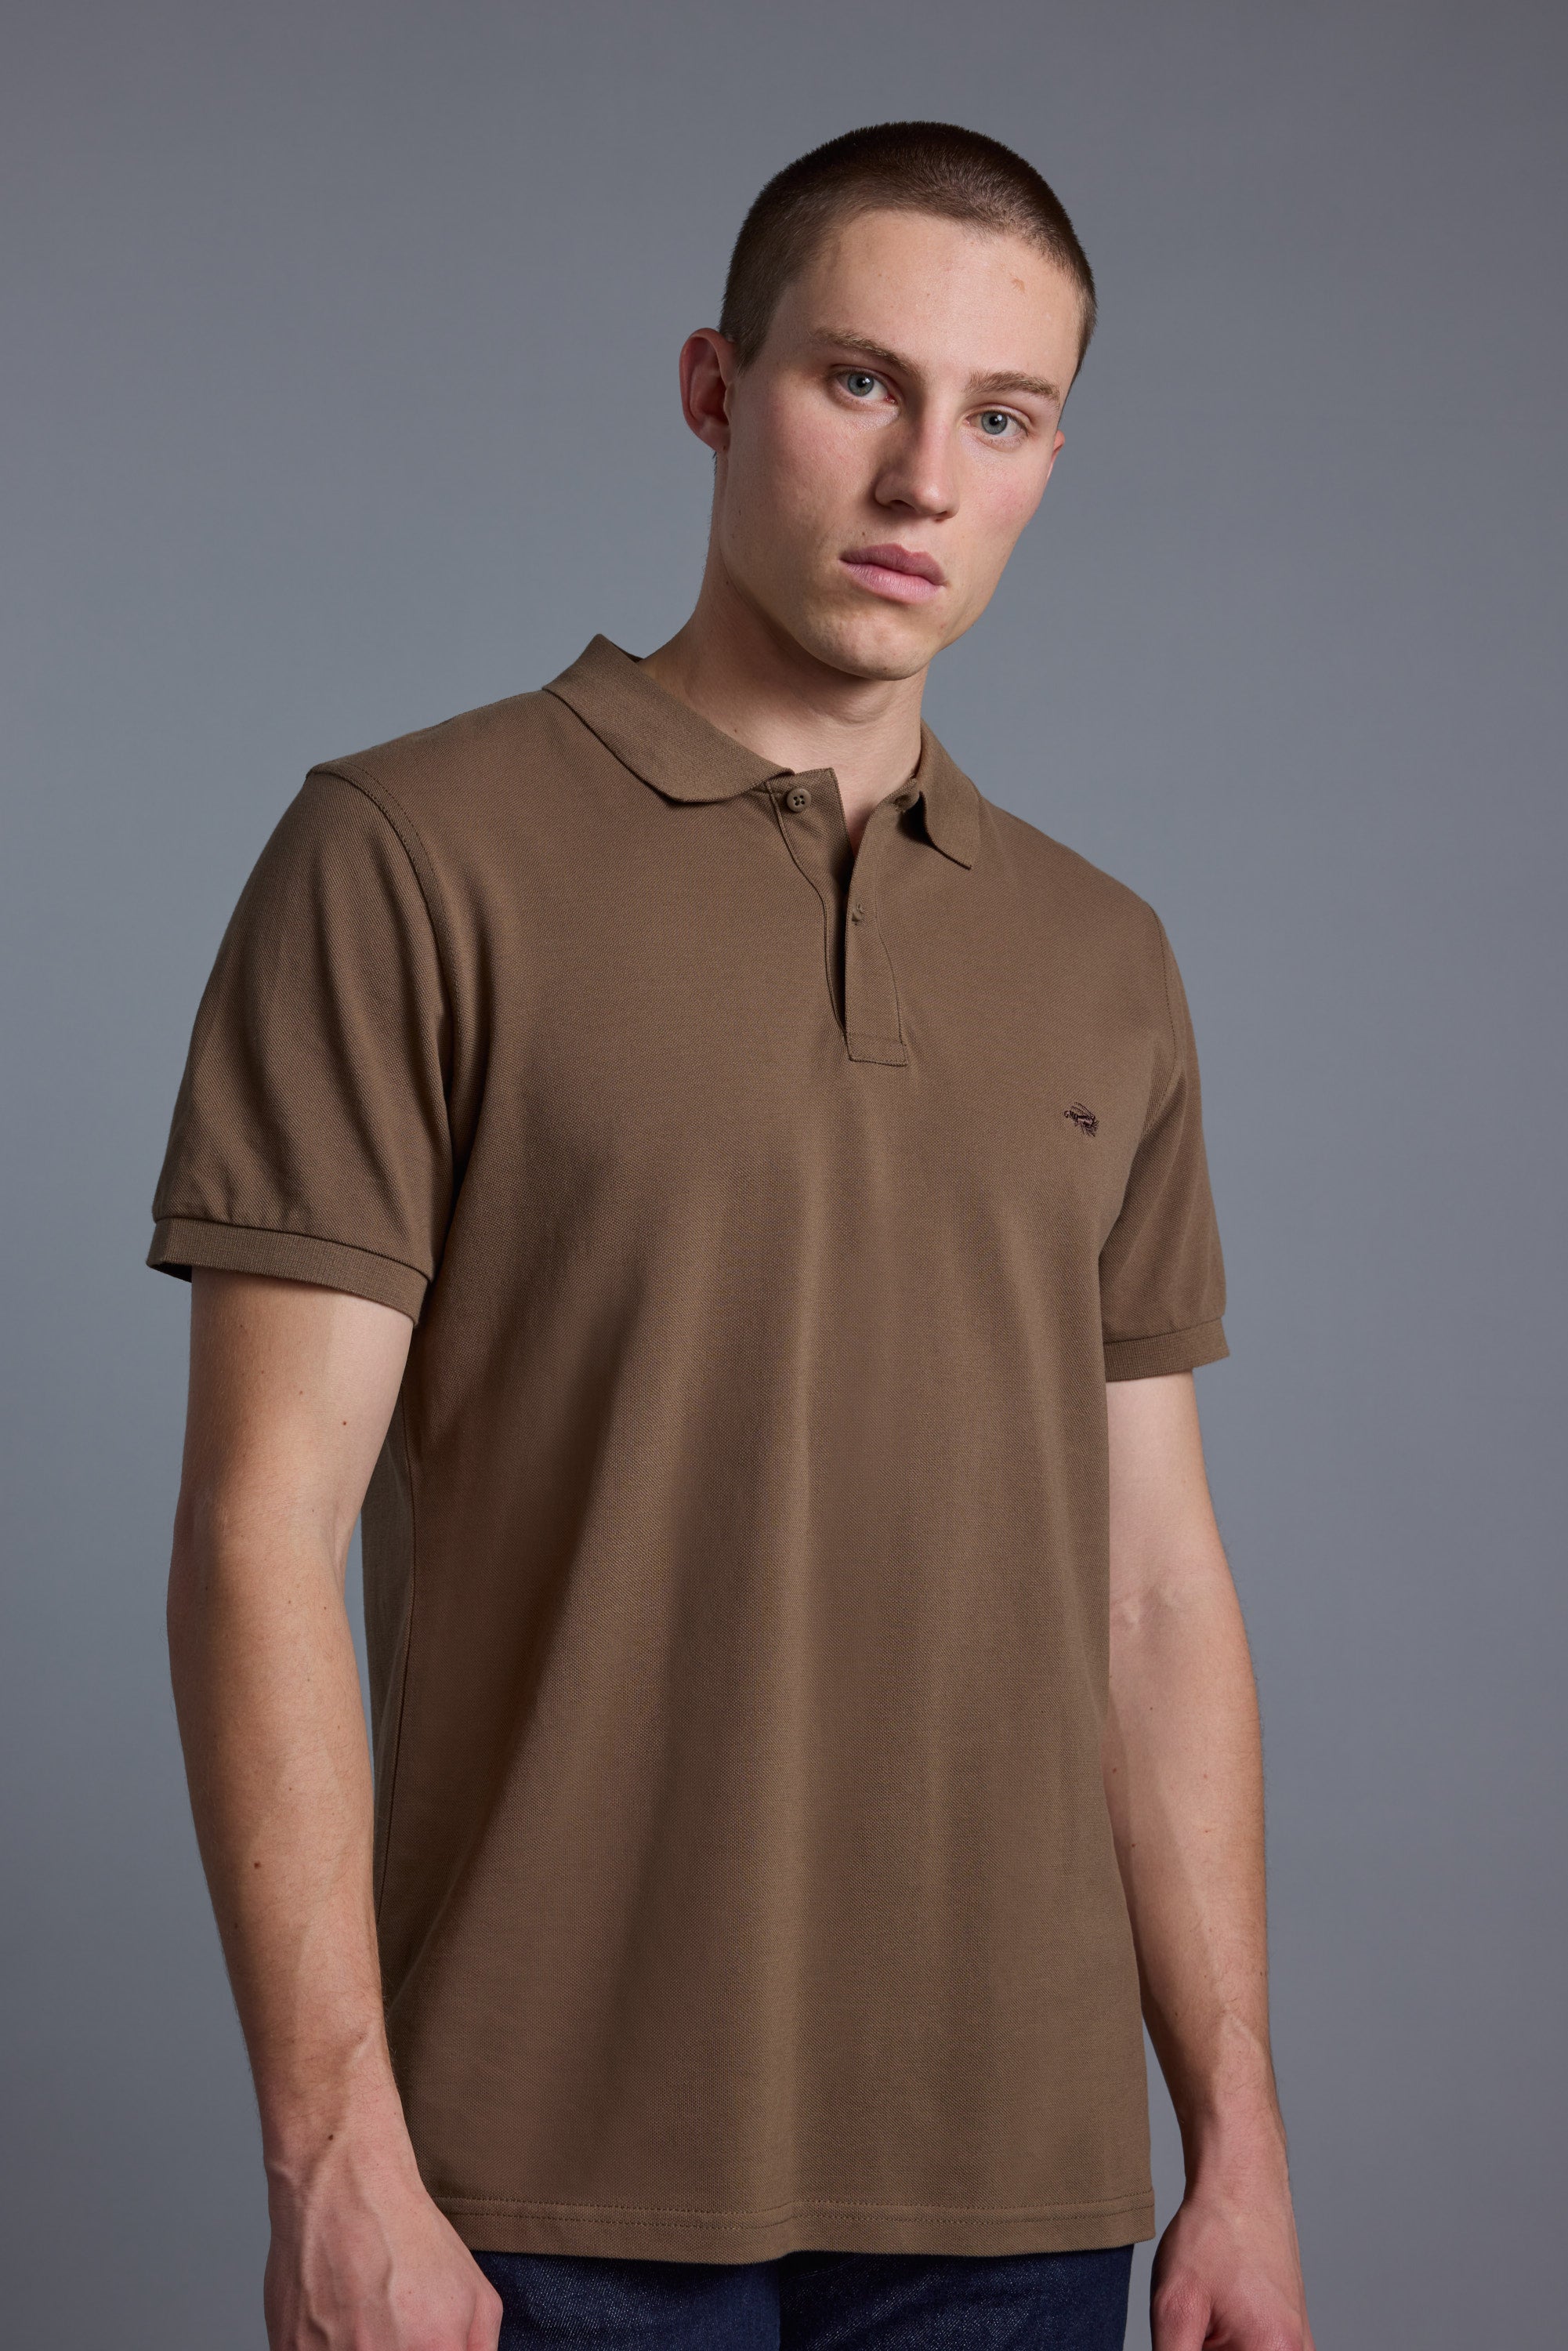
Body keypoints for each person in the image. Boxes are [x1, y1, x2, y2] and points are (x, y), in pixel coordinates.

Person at [148, 121, 1313, 2351]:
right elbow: (258, 1532)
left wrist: (1235, 2146)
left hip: (1022, 2197)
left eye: (1001, 416)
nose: (919, 482)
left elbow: (1153, 1583)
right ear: (714, 385)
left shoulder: (1102, 956)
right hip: (517, 2192)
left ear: (1051, 455)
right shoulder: (409, 854)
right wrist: (331, 2163)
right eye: (856, 384)